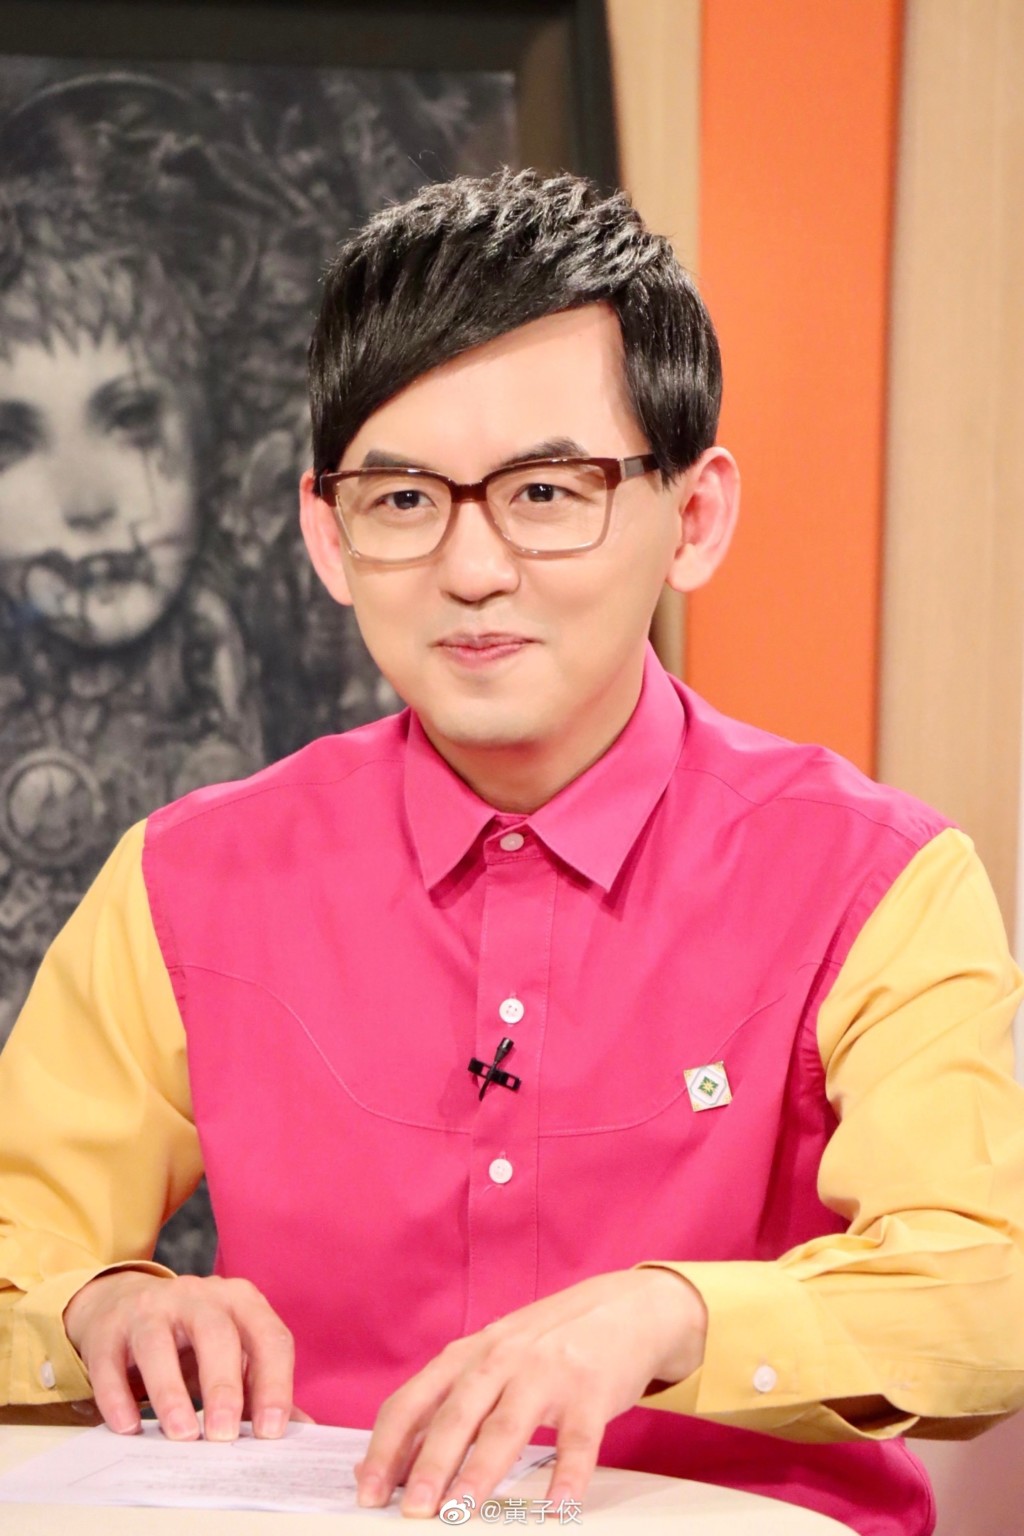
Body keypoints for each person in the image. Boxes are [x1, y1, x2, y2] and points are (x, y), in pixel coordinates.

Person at [2, 169, 1023, 1536]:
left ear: (695, 517)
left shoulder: (877, 879)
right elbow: (19, 1239)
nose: (472, 569)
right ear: (327, 535)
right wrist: (96, 1305)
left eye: (546, 490)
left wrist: (671, 1314)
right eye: (404, 499)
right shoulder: (189, 879)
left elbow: (984, 1292)